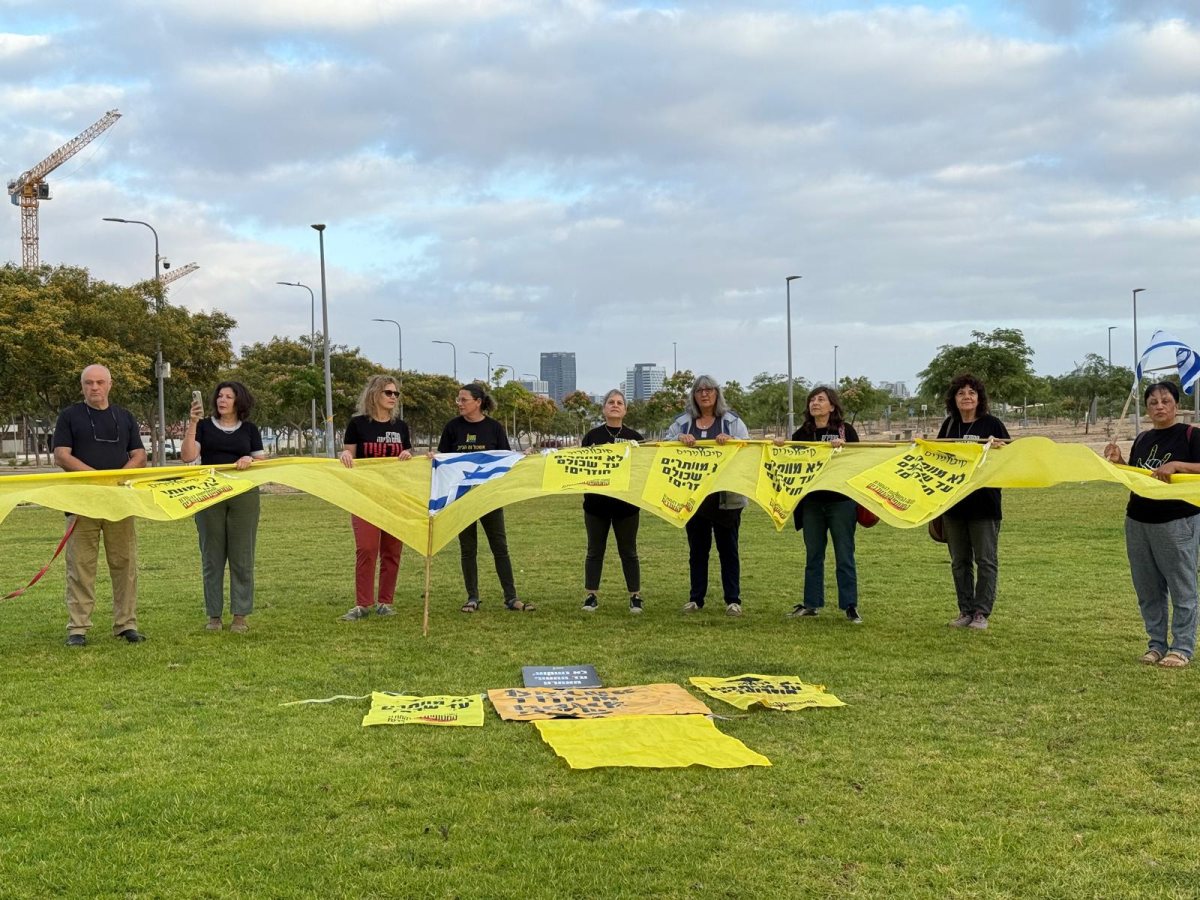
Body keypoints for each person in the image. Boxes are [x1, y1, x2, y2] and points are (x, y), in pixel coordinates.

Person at [1103, 381, 1200, 667]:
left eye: (1165, 401)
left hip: (1176, 521)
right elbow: (1138, 476)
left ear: (1177, 405)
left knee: (1182, 587)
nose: (1159, 406)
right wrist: (1119, 461)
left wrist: (1178, 465)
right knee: (1148, 589)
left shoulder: (1191, 435)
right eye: (1153, 402)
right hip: (1138, 520)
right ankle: (1156, 644)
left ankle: (1181, 648)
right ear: (1146, 408)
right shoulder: (1143, 438)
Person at [52, 364, 148, 646]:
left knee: (124, 564)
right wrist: (96, 478)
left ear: (110, 385)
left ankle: (126, 625)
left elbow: (139, 455)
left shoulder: (125, 417)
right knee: (80, 566)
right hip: (82, 502)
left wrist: (115, 480)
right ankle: (78, 629)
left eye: (100, 382)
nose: (94, 387)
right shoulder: (69, 416)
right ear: (82, 386)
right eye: (89, 383)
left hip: (118, 502)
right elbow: (62, 455)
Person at [436, 382, 533, 613]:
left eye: (464, 400)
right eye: (458, 400)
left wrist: (522, 457)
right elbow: (443, 459)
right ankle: (472, 597)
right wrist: (433, 457)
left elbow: (505, 459)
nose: (459, 404)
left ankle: (511, 598)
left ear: (478, 402)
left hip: (489, 497)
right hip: (462, 498)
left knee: (500, 547)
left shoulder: (494, 428)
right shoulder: (452, 427)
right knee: (468, 549)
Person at [181, 381, 267, 633]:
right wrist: (193, 423)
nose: (223, 400)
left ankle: (240, 615)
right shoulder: (204, 427)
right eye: (220, 396)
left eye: (229, 396)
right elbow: (188, 456)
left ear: (239, 401)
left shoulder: (250, 429)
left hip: (243, 494)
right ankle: (214, 616)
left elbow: (262, 461)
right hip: (209, 494)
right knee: (212, 557)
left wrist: (250, 459)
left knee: (242, 557)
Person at [665, 374, 750, 616]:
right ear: (693, 395)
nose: (704, 394)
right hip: (694, 500)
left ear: (717, 393)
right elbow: (664, 446)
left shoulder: (732, 421)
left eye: (709, 390)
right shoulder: (682, 422)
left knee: (728, 551)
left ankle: (733, 600)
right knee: (697, 552)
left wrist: (733, 441)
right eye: (699, 390)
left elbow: (748, 447)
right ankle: (696, 599)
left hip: (727, 500)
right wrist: (678, 439)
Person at [936, 373, 1010, 630]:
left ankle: (981, 612)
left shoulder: (992, 424)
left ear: (979, 398)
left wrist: (1000, 448)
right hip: (954, 505)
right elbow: (935, 457)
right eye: (961, 393)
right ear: (954, 399)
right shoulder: (949, 426)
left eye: (971, 393)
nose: (966, 397)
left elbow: (1010, 456)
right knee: (959, 562)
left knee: (986, 561)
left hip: (984, 505)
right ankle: (965, 610)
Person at [337, 375, 413, 621]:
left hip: (395, 496)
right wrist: (344, 456)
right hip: (365, 496)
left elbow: (408, 454)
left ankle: (385, 602)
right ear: (374, 394)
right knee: (367, 548)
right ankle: (363, 604)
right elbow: (348, 454)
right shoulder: (357, 424)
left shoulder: (400, 427)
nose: (393, 397)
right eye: (388, 393)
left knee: (392, 550)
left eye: (396, 394)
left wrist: (408, 455)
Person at [784, 386, 862, 623]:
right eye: (812, 400)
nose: (815, 403)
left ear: (832, 406)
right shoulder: (802, 433)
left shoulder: (845, 430)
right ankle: (811, 604)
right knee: (813, 555)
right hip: (812, 504)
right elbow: (789, 460)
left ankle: (850, 605)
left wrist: (844, 448)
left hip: (841, 502)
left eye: (820, 399)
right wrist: (778, 446)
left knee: (844, 556)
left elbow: (859, 460)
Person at [580, 389, 645, 614]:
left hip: (626, 506)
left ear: (625, 410)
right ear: (604, 408)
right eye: (611, 402)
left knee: (629, 551)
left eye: (619, 403)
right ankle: (591, 595)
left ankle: (635, 596)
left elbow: (643, 469)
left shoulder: (635, 438)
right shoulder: (592, 436)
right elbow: (580, 467)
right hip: (596, 505)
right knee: (594, 551)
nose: (615, 405)